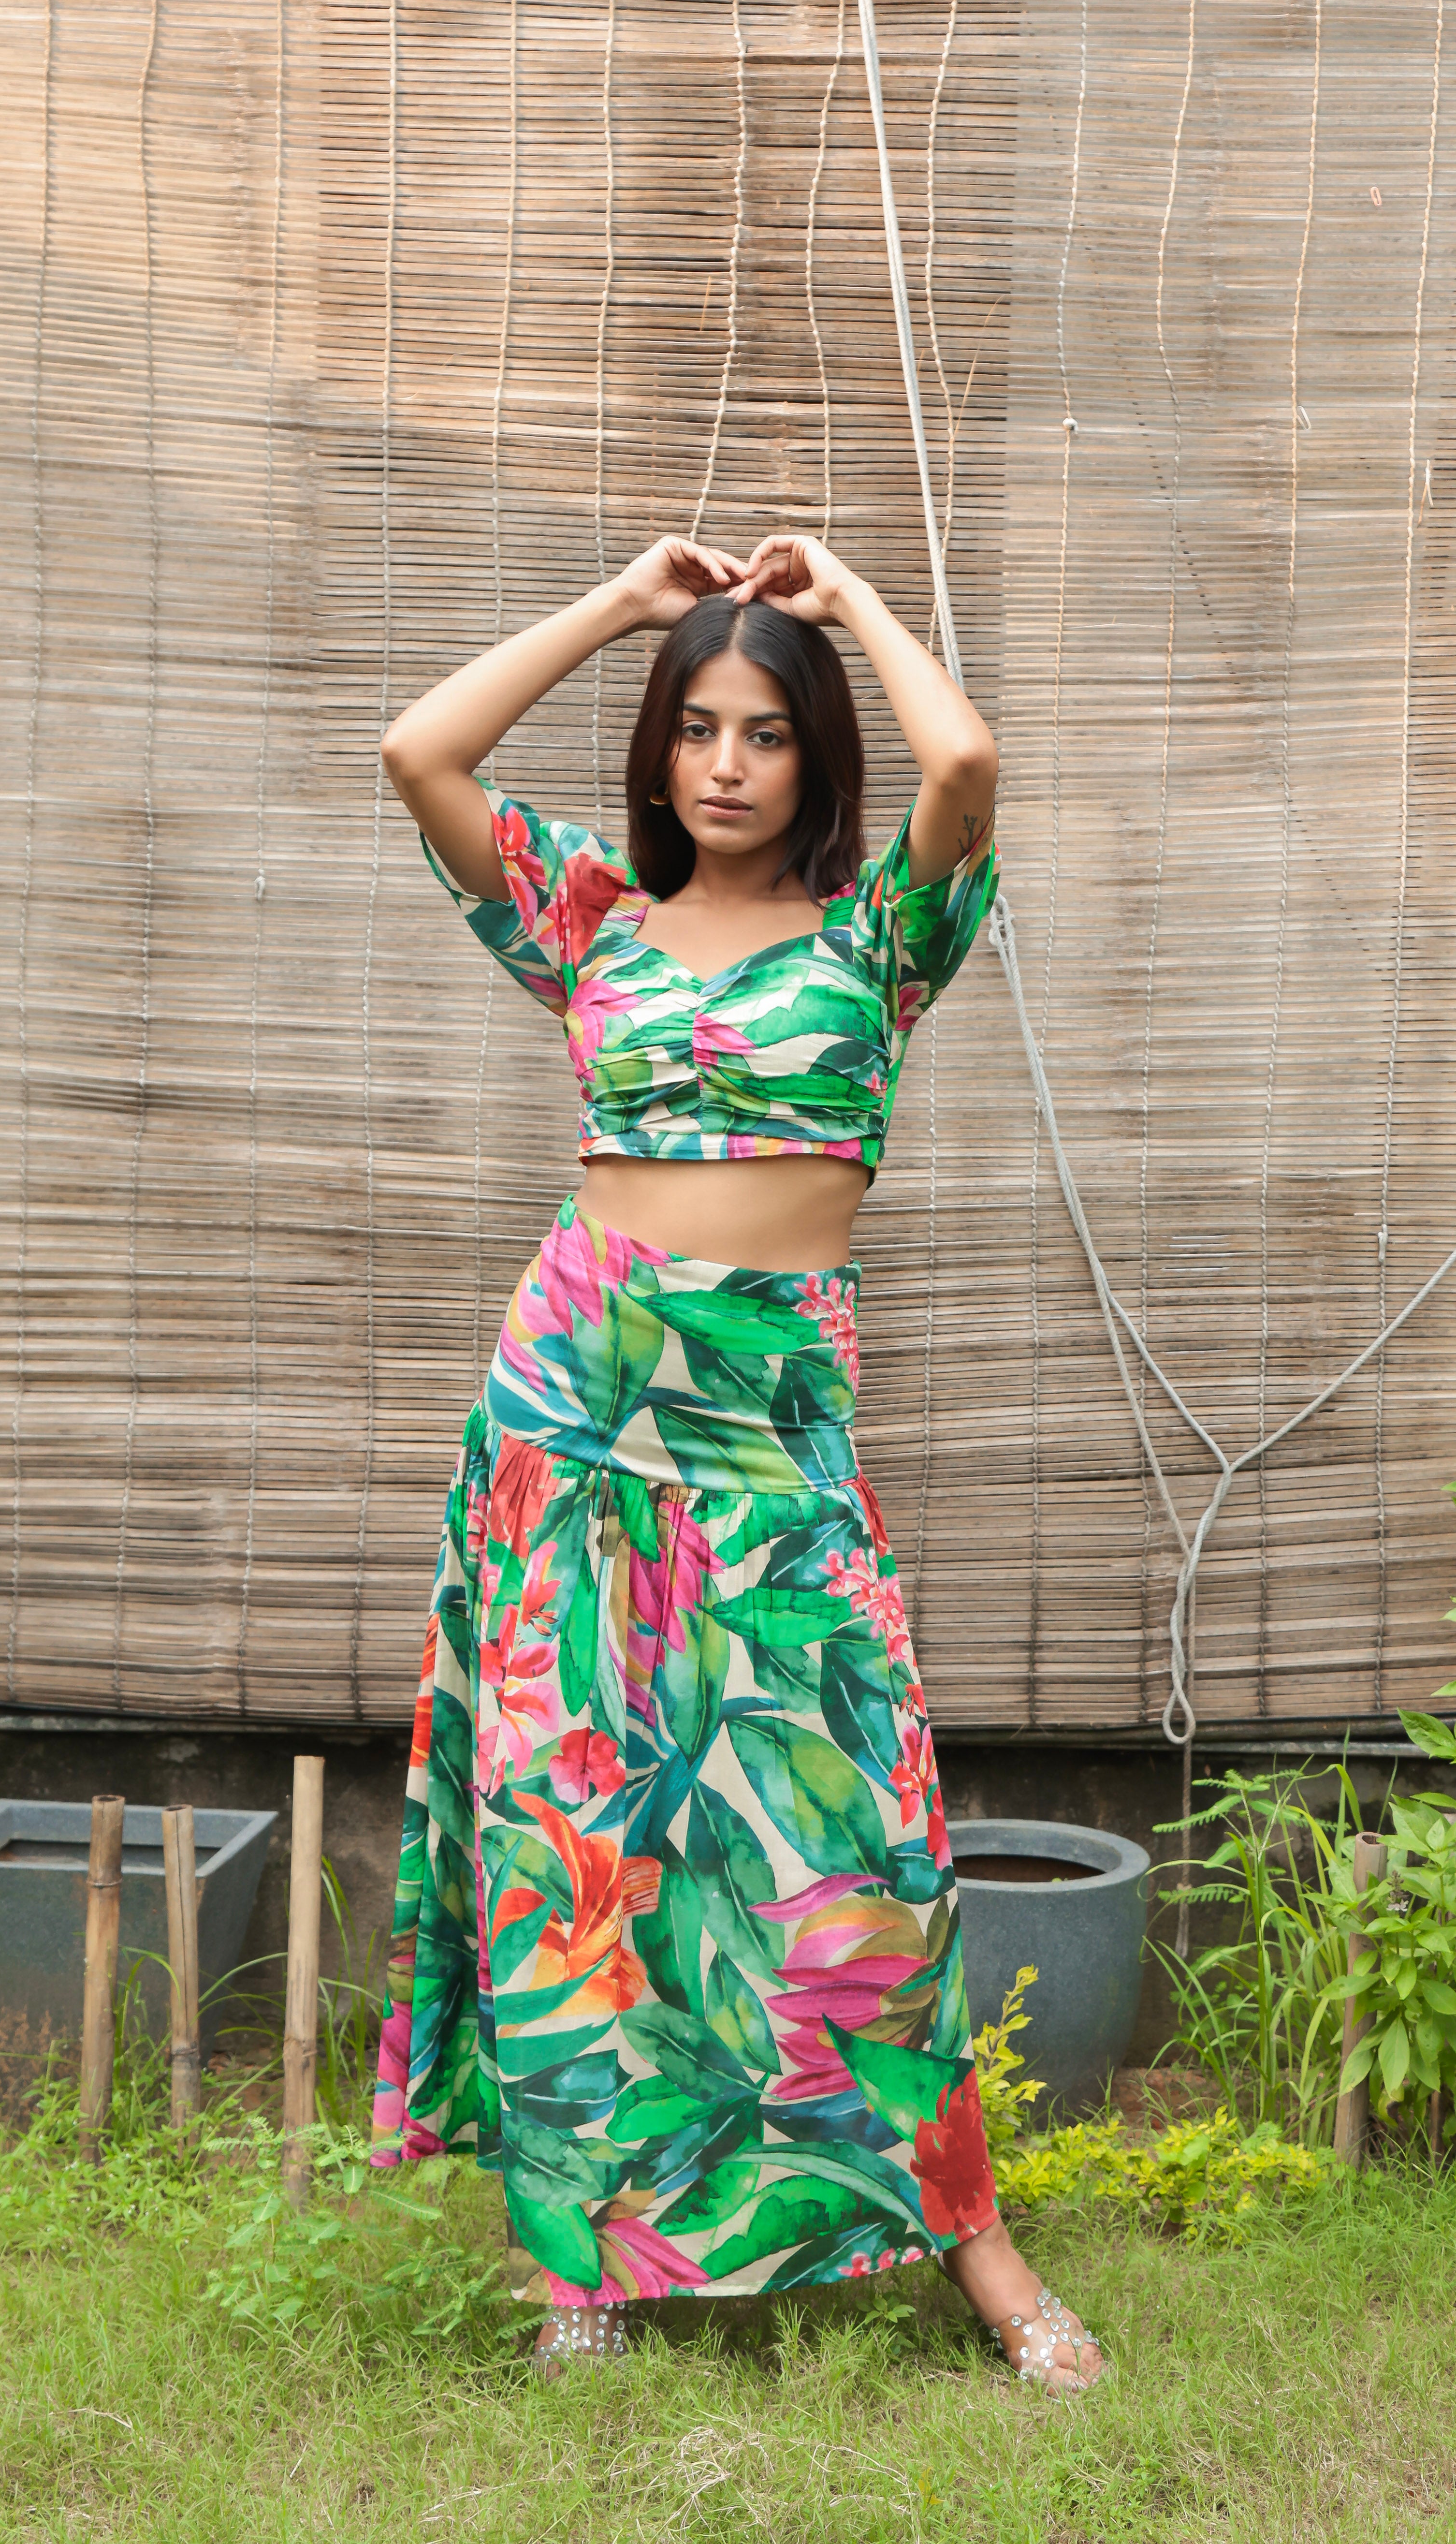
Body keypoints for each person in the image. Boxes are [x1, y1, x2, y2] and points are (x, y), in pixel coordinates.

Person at [369, 529, 1104, 2392]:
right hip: (576, 1402)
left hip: (767, 1419)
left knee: (855, 1828)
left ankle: (976, 2250)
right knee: (579, 1837)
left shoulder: (882, 938)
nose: (722, 762)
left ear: (808, 758)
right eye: (693, 725)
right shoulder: (588, 918)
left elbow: (966, 770)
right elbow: (417, 752)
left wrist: (842, 600)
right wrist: (620, 603)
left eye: (763, 731)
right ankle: (587, 2261)